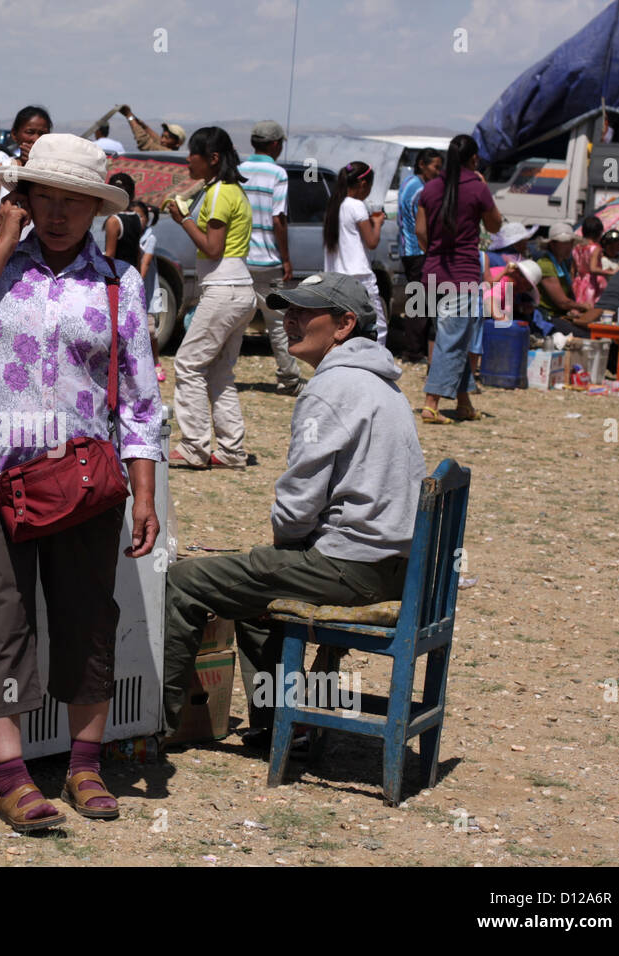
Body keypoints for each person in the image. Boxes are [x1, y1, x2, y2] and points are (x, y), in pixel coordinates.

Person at [0, 133, 161, 832]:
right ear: (23, 200)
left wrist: (144, 492)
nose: (57, 215)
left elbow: (142, 401)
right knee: (1, 620)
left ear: (95, 208)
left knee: (88, 618)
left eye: (73, 203)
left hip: (84, 479)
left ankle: (85, 765)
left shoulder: (120, 285)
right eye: (44, 199)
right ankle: (12, 777)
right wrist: (1, 240)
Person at [163, 273, 425, 746]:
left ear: (344, 324)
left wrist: (283, 547)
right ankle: (277, 724)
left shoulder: (331, 388)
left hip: (353, 567)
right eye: (289, 309)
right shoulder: (382, 384)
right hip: (396, 568)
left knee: (184, 584)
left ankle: (155, 726)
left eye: (306, 312)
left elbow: (296, 509)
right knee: (251, 590)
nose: (290, 320)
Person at [164, 127, 255, 469]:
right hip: (239, 289)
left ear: (212, 159)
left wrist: (183, 219)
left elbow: (212, 247)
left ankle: (194, 446)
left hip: (223, 288)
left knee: (188, 364)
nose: (188, 159)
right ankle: (231, 450)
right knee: (219, 372)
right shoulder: (233, 191)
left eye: (194, 154)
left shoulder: (218, 194)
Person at [416, 133, 503, 424]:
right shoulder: (476, 189)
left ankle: (464, 403)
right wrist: (485, 188)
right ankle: (431, 403)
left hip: (432, 274)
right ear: (474, 159)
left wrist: (435, 252)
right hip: (462, 276)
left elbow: (420, 233)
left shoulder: (430, 189)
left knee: (457, 338)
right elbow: (494, 224)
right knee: (451, 341)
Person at [240, 120, 303, 394]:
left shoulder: (238, 170)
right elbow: (278, 218)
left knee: (234, 321)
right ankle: (288, 378)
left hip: (240, 259)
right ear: (276, 144)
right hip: (268, 261)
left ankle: (219, 372)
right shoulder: (278, 173)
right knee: (279, 322)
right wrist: (286, 258)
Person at [322, 161, 387, 345]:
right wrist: (378, 223)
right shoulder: (357, 206)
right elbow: (372, 241)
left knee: (343, 328)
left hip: (336, 278)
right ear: (363, 185)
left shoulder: (334, 205)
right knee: (377, 328)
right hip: (360, 278)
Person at [0, 106, 52, 243]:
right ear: (15, 135)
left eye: (42, 134)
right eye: (30, 132)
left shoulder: (55, 173)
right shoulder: (2, 172)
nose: (36, 139)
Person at [397, 147, 442, 362]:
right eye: (436, 167)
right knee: (421, 301)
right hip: (418, 250)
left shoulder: (409, 182)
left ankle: (416, 349)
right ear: (422, 164)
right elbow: (423, 226)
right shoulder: (420, 190)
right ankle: (414, 351)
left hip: (411, 249)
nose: (438, 172)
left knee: (419, 299)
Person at [532, 221, 591, 338]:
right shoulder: (546, 265)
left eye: (570, 242)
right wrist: (582, 306)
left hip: (560, 315)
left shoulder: (561, 264)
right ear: (553, 244)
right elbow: (562, 302)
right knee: (585, 336)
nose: (569, 246)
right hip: (548, 317)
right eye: (564, 243)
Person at [136, 201, 166, 381]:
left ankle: (156, 362)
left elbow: (145, 265)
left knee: (150, 331)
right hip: (130, 292)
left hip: (145, 292)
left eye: (140, 216)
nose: (136, 220)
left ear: (147, 219)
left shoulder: (149, 238)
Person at [572, 215, 614, 306]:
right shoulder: (595, 248)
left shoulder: (576, 247)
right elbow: (593, 268)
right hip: (591, 283)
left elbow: (573, 269)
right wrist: (609, 272)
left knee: (579, 307)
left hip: (578, 280)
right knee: (591, 309)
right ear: (598, 233)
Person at [102, 172, 141, 268]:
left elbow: (110, 255)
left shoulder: (114, 221)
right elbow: (138, 252)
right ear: (132, 194)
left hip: (118, 275)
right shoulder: (136, 217)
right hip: (132, 272)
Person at [117, 105, 185, 151]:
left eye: (167, 138)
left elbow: (144, 141)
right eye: (162, 136)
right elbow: (156, 138)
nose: (162, 140)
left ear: (177, 143)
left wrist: (129, 116)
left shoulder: (164, 152)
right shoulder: (164, 147)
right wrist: (143, 125)